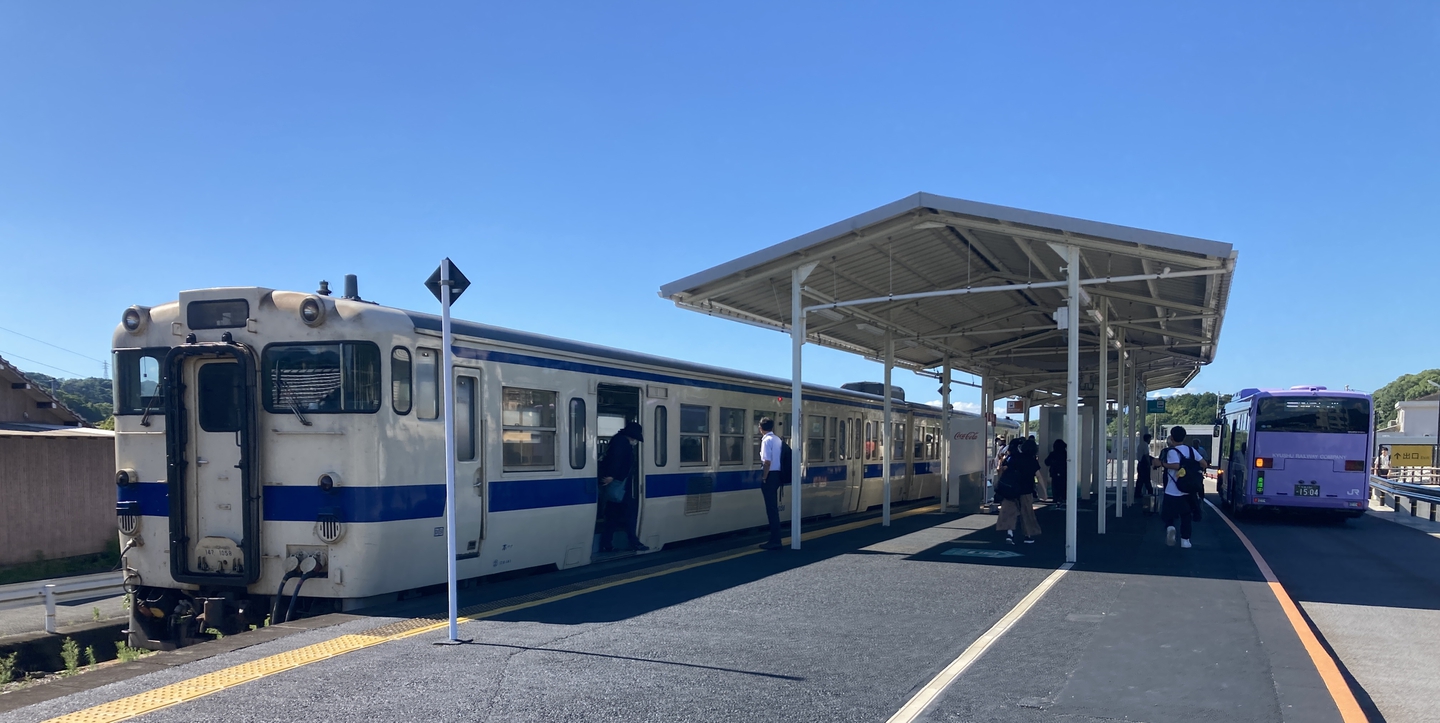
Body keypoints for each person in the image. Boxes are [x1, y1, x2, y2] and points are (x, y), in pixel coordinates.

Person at [597, 421, 648, 552]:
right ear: (632, 436)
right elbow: (617, 460)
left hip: (617, 484)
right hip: (620, 484)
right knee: (629, 514)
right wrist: (612, 475)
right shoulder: (622, 443)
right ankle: (633, 541)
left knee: (612, 515)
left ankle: (607, 544)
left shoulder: (617, 440)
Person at [1159, 425, 1204, 549]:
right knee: (1186, 516)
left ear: (1172, 438)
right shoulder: (1191, 450)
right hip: (1188, 490)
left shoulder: (1172, 451)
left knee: (1168, 515)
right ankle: (1185, 540)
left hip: (1172, 490)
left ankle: (1170, 528)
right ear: (1184, 437)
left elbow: (1175, 465)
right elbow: (1203, 463)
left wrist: (1162, 464)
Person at [995, 439, 1042, 543]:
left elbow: (1002, 469)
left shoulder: (1013, 458)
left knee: (1009, 512)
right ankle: (1028, 535)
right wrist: (1044, 492)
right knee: (1027, 513)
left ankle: (1010, 534)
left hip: (1011, 489)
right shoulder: (1031, 460)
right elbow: (1038, 476)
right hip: (1026, 490)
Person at [757, 417, 785, 550]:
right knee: (773, 509)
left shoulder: (766, 440)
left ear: (760, 428)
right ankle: (776, 538)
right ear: (772, 427)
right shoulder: (777, 439)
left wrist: (764, 477)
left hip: (770, 476)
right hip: (778, 475)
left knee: (771, 509)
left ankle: (775, 540)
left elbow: (767, 462)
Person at [1045, 439, 1067, 507]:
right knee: (1063, 486)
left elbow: (1047, 462)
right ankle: (1063, 498)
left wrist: (1053, 462)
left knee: (1055, 486)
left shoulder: (1053, 454)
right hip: (1063, 473)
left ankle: (1056, 498)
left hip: (1054, 473)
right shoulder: (1065, 454)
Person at [1134, 433, 1153, 508]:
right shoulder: (1145, 445)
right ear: (1148, 439)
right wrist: (1149, 463)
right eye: (1150, 439)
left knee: (1140, 479)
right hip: (1144, 464)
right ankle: (1150, 492)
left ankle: (1137, 493)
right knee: (1147, 479)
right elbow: (1146, 455)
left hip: (1140, 463)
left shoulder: (1140, 445)